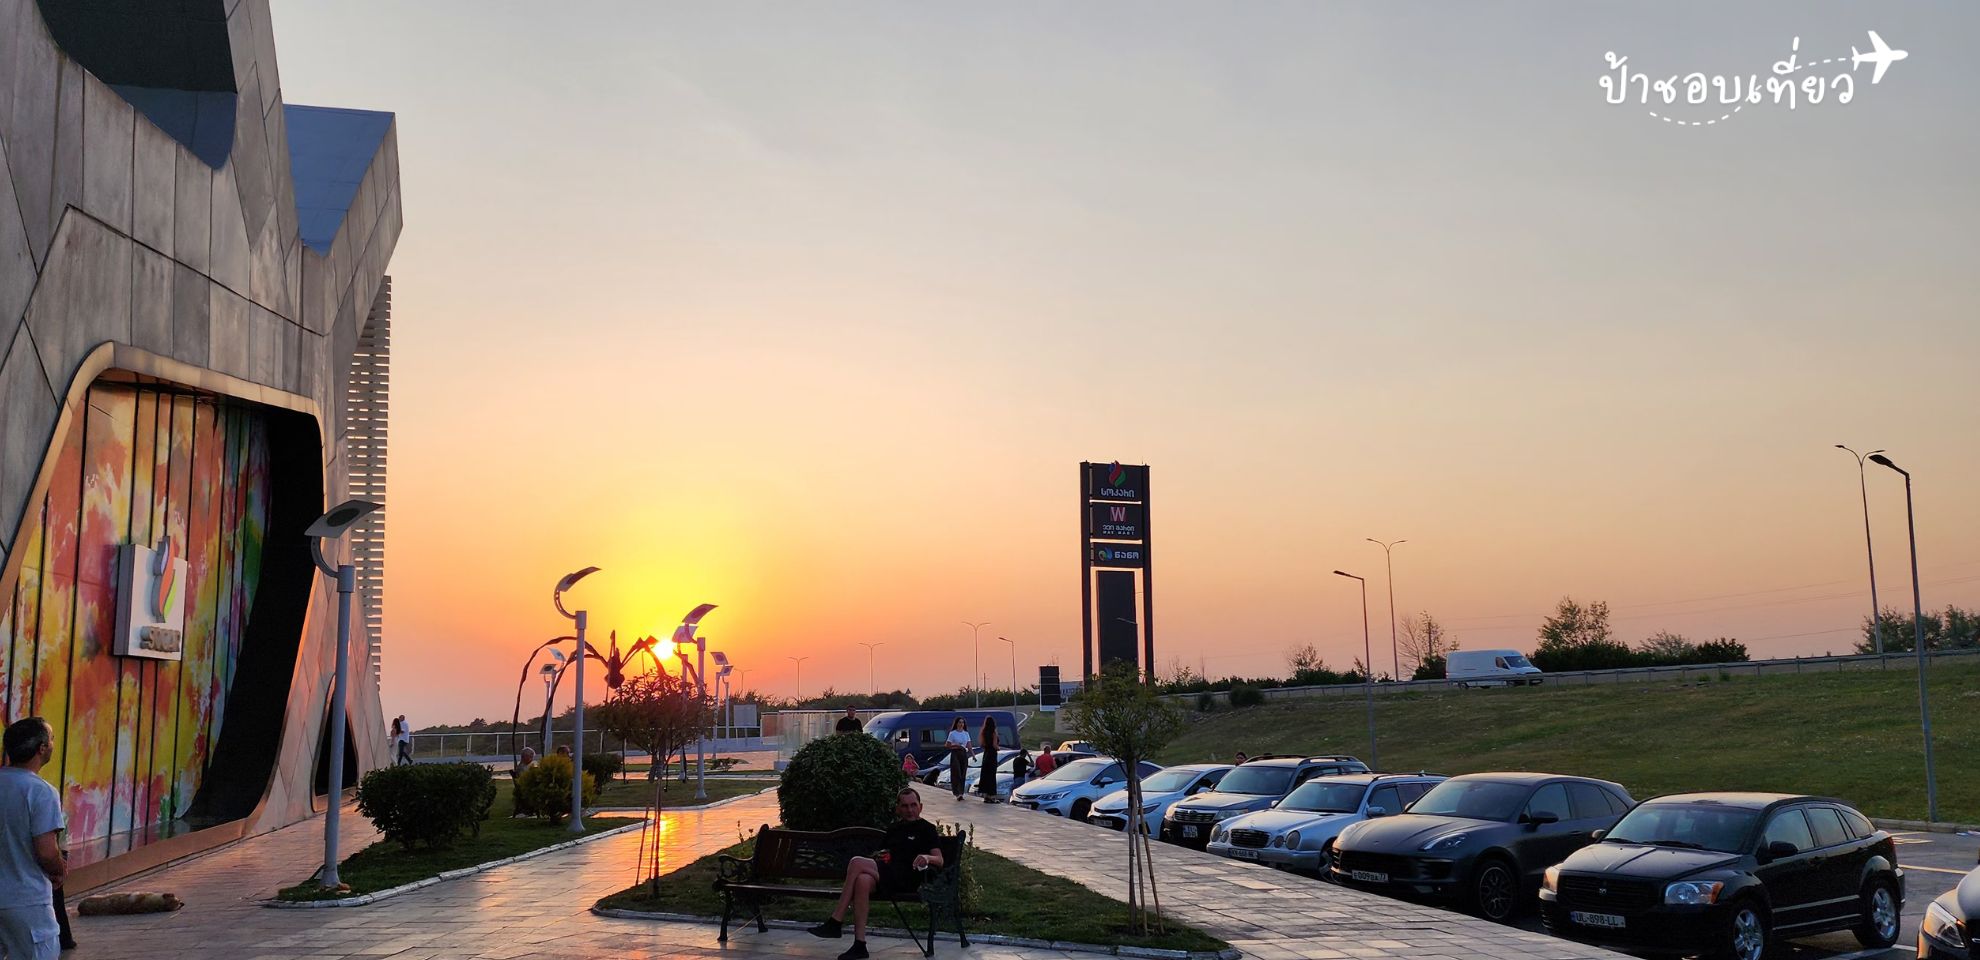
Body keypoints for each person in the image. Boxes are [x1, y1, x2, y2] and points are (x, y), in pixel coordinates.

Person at [806, 787, 942, 960]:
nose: (909, 810)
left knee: (856, 862)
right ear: (898, 808)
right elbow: (881, 853)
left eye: (913, 805)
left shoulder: (927, 829)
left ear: (920, 807)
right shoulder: (894, 829)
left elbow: (940, 860)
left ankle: (836, 921)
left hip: (909, 878)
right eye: (905, 806)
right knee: (862, 880)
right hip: (889, 874)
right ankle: (859, 944)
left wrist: (927, 857)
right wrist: (881, 857)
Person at [2, 717, 67, 960]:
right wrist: (59, 869)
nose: (52, 744)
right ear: (42, 748)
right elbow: (46, 852)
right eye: (51, 739)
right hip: (26, 899)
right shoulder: (41, 791)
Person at [943, 718, 970, 801]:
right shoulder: (952, 733)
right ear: (956, 723)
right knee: (956, 773)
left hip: (963, 753)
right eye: (959, 722)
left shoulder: (966, 733)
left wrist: (973, 755)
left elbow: (969, 745)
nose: (961, 724)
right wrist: (956, 746)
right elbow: (947, 745)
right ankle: (956, 793)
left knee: (963, 773)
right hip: (955, 753)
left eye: (962, 722)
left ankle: (961, 793)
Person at [976, 717, 999, 803]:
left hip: (986, 755)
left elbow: (982, 744)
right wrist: (998, 748)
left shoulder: (983, 733)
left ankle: (986, 796)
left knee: (985, 775)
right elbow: (995, 745)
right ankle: (992, 796)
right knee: (992, 776)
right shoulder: (993, 733)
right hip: (992, 755)